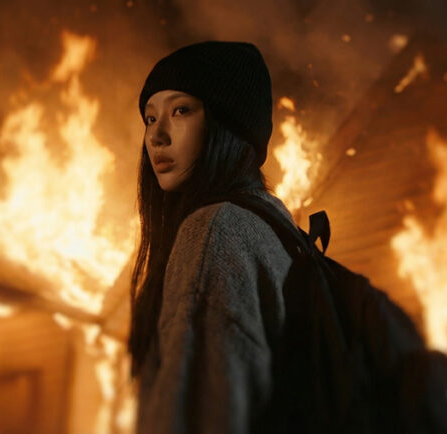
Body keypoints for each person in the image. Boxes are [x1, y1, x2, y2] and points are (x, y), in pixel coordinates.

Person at [129, 41, 294, 434]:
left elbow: (196, 418)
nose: (157, 136)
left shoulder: (213, 231)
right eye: (150, 118)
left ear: (226, 124)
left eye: (181, 110)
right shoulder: (277, 227)